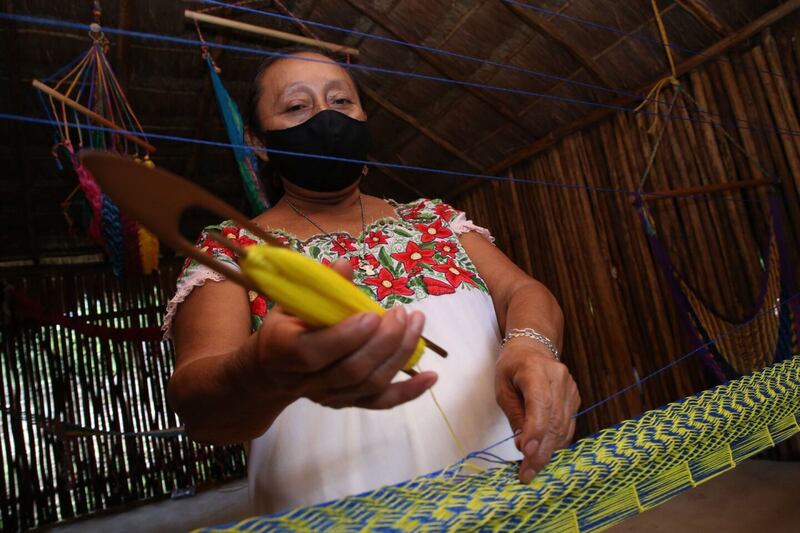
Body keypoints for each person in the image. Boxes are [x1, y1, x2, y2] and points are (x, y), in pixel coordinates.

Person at [165, 49, 580, 515]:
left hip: (510, 495)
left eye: (341, 101)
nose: (326, 116)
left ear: (364, 116)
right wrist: (262, 369)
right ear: (258, 141)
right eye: (298, 106)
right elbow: (198, 408)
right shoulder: (232, 251)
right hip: (336, 513)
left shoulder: (434, 219)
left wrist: (530, 346)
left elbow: (522, 292)